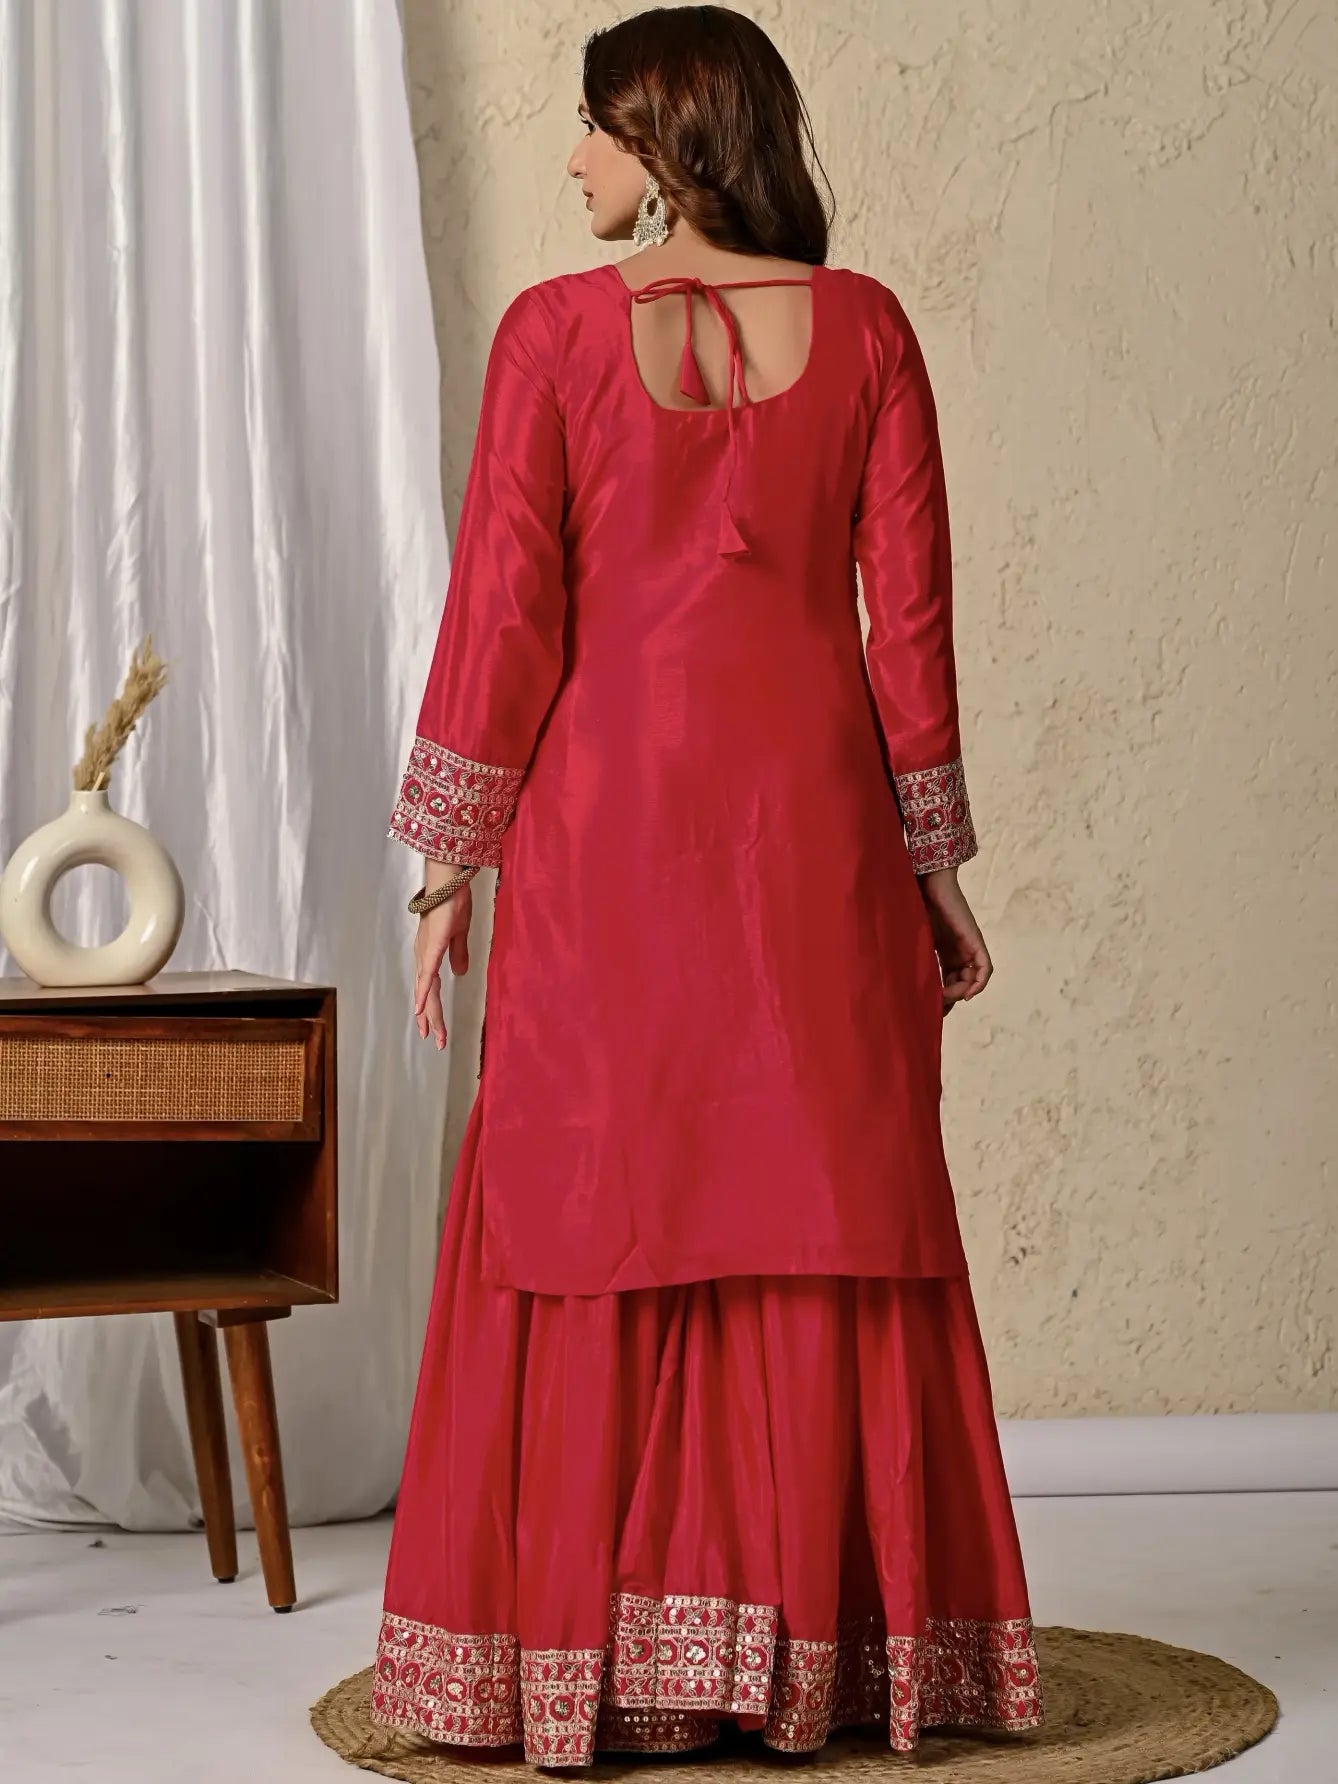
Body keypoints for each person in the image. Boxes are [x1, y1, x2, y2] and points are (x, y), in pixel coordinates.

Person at [372, 5, 1045, 1769]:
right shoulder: (870, 330)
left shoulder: (552, 338)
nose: (575, 160)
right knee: (815, 1196)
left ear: (670, 138)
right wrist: (936, 868)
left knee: (608, 1194)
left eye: (595, 128)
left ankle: (600, 1666)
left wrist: (452, 856)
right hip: (808, 837)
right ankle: (819, 1661)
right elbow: (908, 630)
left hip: (609, 832)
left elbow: (509, 612)